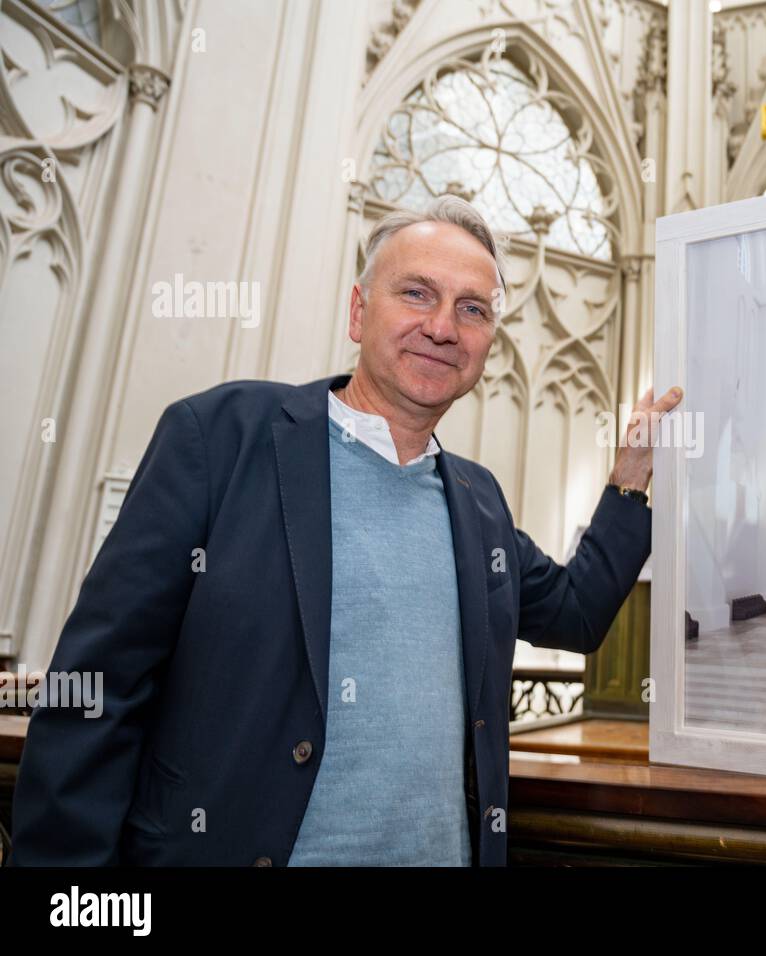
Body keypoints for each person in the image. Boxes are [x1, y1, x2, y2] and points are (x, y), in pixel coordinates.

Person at [11, 196, 681, 866]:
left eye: (472, 309)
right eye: (417, 293)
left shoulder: (479, 505)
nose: (444, 327)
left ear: (487, 343)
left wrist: (629, 480)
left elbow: (576, 612)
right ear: (359, 311)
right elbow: (97, 690)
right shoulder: (222, 440)